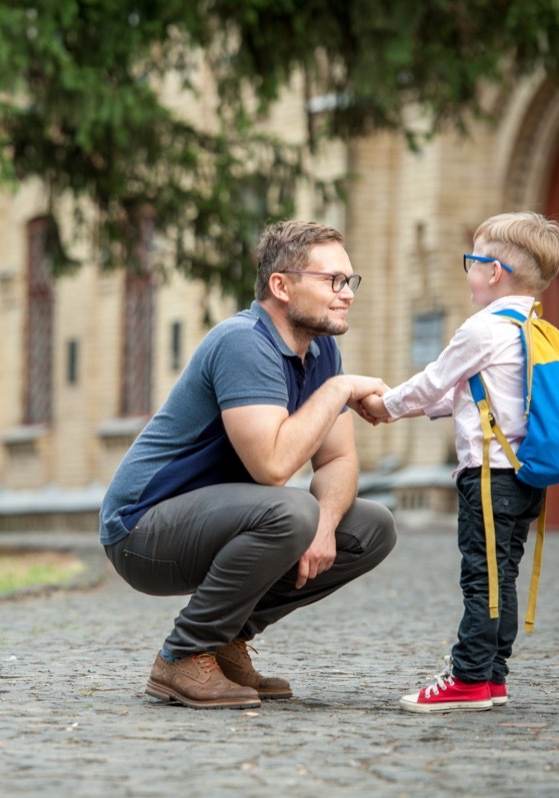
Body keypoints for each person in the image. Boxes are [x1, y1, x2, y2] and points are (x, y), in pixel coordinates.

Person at [99, 219, 398, 710]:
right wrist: (339, 388)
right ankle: (183, 654)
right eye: (332, 281)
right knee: (290, 512)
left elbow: (339, 459)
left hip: (217, 522)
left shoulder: (322, 349)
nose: (346, 293)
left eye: (349, 281)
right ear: (281, 285)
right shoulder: (243, 342)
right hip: (141, 530)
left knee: (371, 526)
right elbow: (274, 467)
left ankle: (225, 642)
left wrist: (325, 526)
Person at [361, 211, 559, 713]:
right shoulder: (531, 327)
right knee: (503, 575)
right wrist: (401, 408)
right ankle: (494, 674)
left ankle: (469, 676)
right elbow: (465, 394)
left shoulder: (482, 329)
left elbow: (435, 380)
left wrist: (384, 407)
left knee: (481, 577)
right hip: (525, 478)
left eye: (470, 262)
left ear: (492, 271)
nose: (467, 272)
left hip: (488, 475)